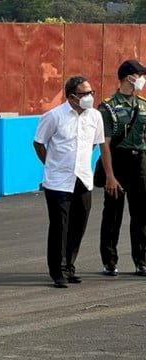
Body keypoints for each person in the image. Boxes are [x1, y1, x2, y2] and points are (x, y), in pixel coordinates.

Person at [33, 75, 104, 288]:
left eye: (91, 93)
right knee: (59, 226)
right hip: (57, 180)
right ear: (72, 96)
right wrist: (51, 164)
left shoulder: (95, 117)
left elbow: (95, 144)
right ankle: (58, 271)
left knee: (79, 223)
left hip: (83, 177)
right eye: (84, 94)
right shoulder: (54, 116)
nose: (89, 97)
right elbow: (38, 143)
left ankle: (70, 265)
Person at [98, 59, 146, 277]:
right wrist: (109, 175)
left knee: (141, 215)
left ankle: (142, 261)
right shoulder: (107, 106)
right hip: (117, 161)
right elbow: (104, 143)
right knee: (113, 214)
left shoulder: (143, 105)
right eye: (141, 75)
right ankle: (109, 260)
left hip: (140, 161)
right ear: (130, 77)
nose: (143, 80)